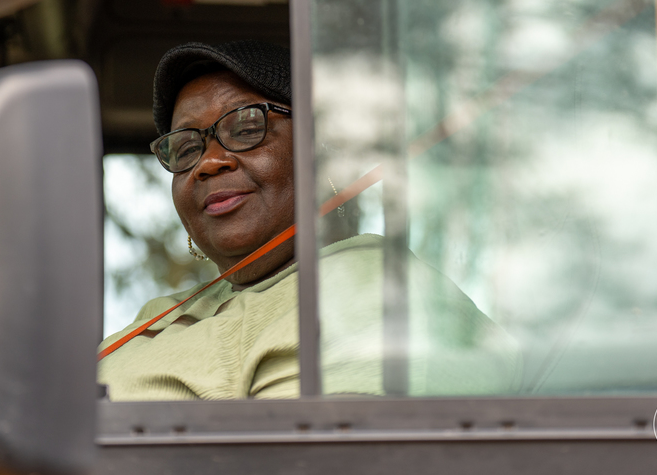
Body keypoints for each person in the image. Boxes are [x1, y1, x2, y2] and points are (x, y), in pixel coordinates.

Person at [97, 40, 520, 400]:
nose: (208, 163)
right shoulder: (167, 310)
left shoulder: (372, 291)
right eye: (186, 147)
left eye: (246, 127)